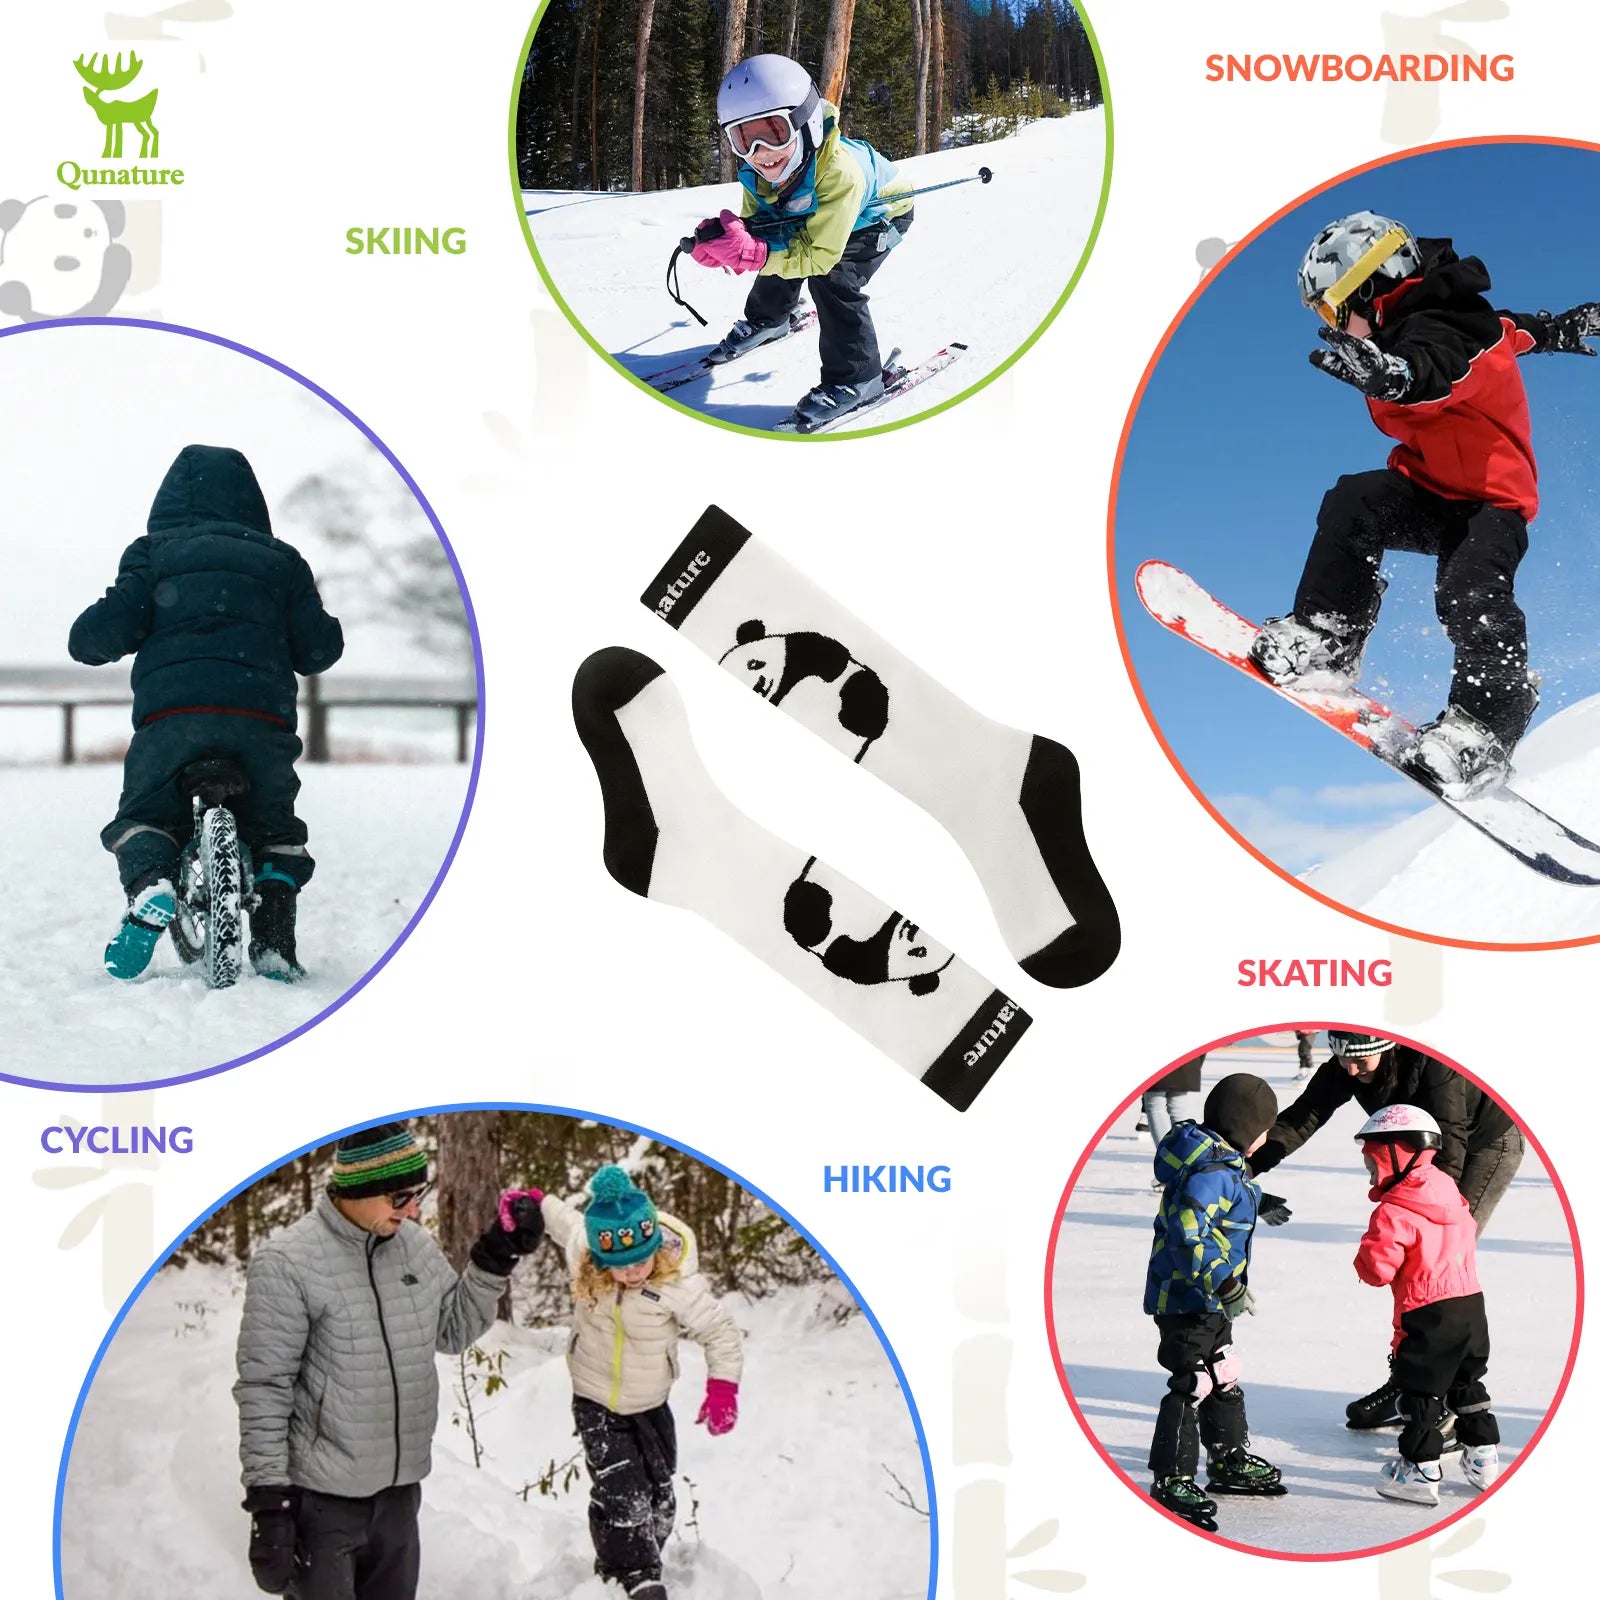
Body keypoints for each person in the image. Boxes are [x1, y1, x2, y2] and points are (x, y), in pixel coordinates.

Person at [1247, 210, 1600, 796]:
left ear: (1367, 285)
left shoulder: (1450, 329)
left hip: (1491, 506)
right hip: (1431, 491)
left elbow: (1441, 365)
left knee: (1469, 592)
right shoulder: (1427, 329)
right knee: (1354, 500)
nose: (1332, 323)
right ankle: (1327, 637)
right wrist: (1558, 328)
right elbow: (1514, 329)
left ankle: (1484, 726)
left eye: (1330, 308)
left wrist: (1398, 378)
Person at [233, 1123, 545, 1599]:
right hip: (322, 1504)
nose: (414, 1208)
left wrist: (495, 1258)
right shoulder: (288, 1262)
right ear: (358, 1189)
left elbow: (452, 1329)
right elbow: (264, 1387)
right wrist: (270, 1505)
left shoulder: (414, 1247)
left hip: (399, 1498)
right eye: (400, 1197)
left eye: (417, 1194)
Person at [69, 443, 343, 982]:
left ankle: (152, 883)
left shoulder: (153, 553)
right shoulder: (281, 561)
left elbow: (94, 638)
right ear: (252, 505)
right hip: (260, 721)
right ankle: (274, 945)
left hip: (173, 718)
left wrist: (98, 633)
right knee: (275, 831)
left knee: (145, 815)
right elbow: (320, 651)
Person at [1251, 1029, 1522, 1432]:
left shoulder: (1433, 1063)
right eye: (1343, 1060)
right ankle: (1409, 1386)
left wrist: (1418, 1205)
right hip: (1418, 1155)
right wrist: (1250, 1166)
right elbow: (1305, 1115)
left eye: (1360, 1060)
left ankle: (1443, 1405)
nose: (1352, 1069)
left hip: (1482, 1142)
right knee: (1416, 1281)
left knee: (1439, 1272)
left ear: (1387, 1048)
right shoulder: (1348, 1065)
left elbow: (1451, 1136)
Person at [521, 1164, 745, 1600]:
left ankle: (641, 1556)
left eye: (642, 1259)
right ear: (603, 1259)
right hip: (594, 1400)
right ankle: (635, 1576)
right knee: (622, 1493)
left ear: (655, 1246)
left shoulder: (677, 1282)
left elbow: (720, 1332)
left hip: (650, 1402)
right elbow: (565, 1222)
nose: (633, 1271)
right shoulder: (587, 1255)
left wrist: (722, 1388)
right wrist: (534, 1202)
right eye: (620, 1266)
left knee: (659, 1496)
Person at [691, 53, 914, 431]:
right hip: (824, 218)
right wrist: (724, 244)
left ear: (805, 122)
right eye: (743, 138)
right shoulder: (757, 173)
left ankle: (857, 378)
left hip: (878, 218)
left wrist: (757, 254)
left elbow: (819, 256)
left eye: (773, 131)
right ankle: (770, 317)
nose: (761, 152)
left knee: (834, 277)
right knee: (774, 243)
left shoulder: (839, 172)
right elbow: (762, 231)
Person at [1144, 1073, 1287, 1530]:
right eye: (1264, 1129)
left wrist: (1258, 1199)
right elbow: (1189, 1232)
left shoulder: (1221, 1166)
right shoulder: (1212, 1172)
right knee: (1194, 1381)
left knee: (1223, 1370)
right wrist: (1225, 1283)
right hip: (1187, 1298)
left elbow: (1230, 1192)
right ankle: (1172, 1476)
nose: (1265, 1138)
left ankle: (1227, 1458)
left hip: (1208, 1299)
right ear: (1246, 1128)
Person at [1352, 1105, 1501, 1505]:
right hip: (1471, 1308)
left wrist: (1365, 1252)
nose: (1371, 1170)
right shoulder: (1450, 1193)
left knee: (1421, 1393)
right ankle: (1484, 1457)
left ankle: (1419, 1471)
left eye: (1374, 1161)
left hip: (1428, 1312)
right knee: (1466, 1382)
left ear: (1396, 1154)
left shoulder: (1394, 1210)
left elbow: (1378, 1270)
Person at [1140, 1055, 1204, 1186]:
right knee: (1178, 1109)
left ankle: (1170, 1166)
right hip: (1186, 1063)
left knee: (1155, 1106)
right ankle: (1185, 1164)